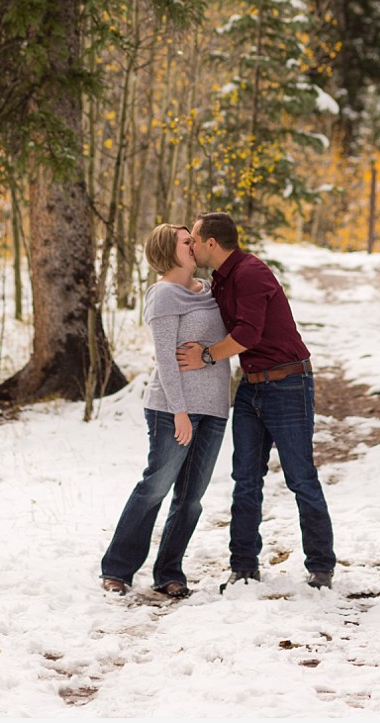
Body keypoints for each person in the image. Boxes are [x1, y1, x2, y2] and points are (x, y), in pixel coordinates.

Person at [176, 211, 336, 590]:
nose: (192, 246)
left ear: (211, 243)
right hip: (251, 386)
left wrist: (208, 355)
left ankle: (321, 565)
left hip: (288, 383)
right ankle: (244, 565)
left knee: (301, 478)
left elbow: (247, 334)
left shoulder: (251, 273)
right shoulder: (220, 280)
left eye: (194, 240)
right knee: (246, 479)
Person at [100, 222, 231, 598]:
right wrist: (180, 411)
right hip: (173, 410)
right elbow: (165, 359)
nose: (194, 245)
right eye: (186, 242)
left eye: (193, 240)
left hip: (215, 408)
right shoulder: (163, 296)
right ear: (166, 252)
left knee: (191, 498)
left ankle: (169, 571)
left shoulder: (209, 291)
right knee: (155, 487)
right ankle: (118, 569)